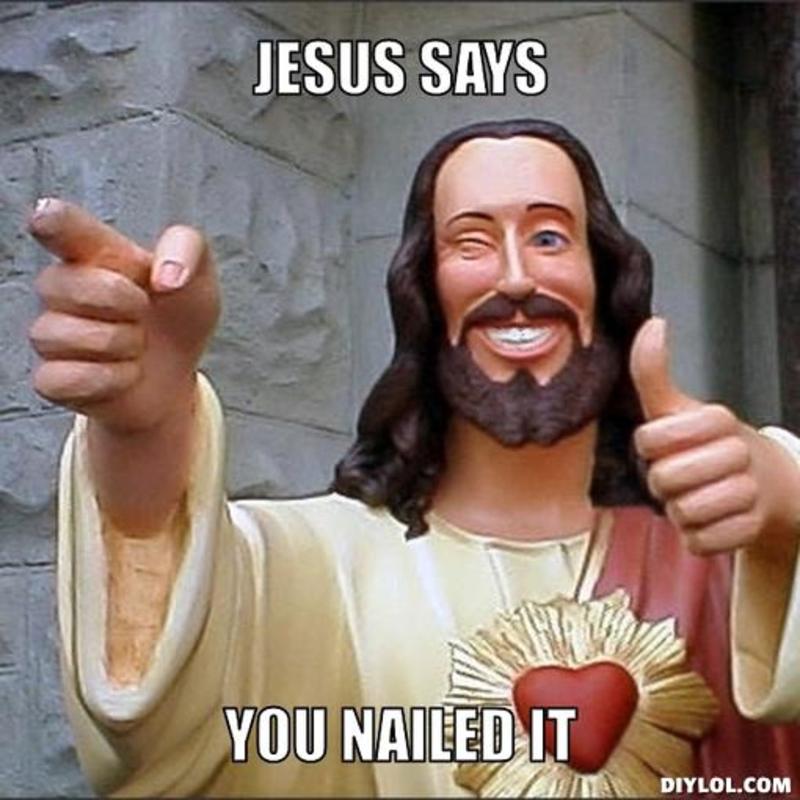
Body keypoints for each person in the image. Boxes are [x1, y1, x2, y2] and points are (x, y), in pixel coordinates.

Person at [28, 119, 800, 798]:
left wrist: (787, 511)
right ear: (423, 291)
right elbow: (165, 724)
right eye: (471, 242)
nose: (516, 277)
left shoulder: (724, 568)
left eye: (548, 237)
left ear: (604, 278)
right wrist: (146, 431)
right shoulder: (325, 566)